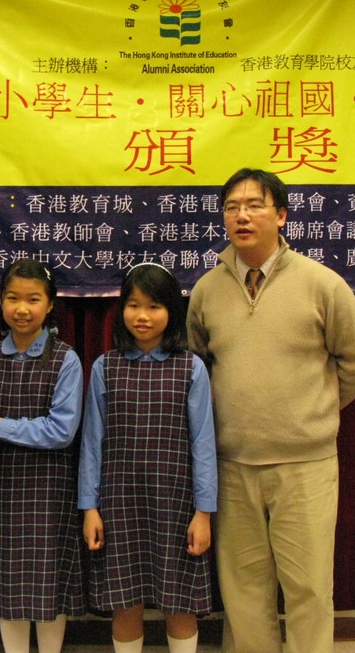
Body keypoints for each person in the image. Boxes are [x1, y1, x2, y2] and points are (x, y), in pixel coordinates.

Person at [187, 168, 355, 653]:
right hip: (233, 465)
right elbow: (196, 369)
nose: (242, 216)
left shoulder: (322, 284)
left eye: (254, 205)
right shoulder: (207, 290)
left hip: (305, 466)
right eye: (232, 207)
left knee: (309, 590)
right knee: (243, 593)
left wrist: (315, 408)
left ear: (281, 215)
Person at [79, 263, 217, 653]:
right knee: (125, 602)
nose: (143, 316)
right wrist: (89, 507)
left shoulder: (190, 368)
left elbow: (203, 444)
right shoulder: (106, 367)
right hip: (118, 504)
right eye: (134, 305)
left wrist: (204, 513)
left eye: (154, 306)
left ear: (172, 310)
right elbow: (92, 443)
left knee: (180, 603)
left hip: (176, 505)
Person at [0, 259, 84, 653]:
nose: (22, 309)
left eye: (33, 299)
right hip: (1, 491)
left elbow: (61, 431)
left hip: (49, 492)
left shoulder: (66, 359)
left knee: (49, 589)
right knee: (7, 588)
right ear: (0, 302)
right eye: (12, 298)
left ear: (50, 305)